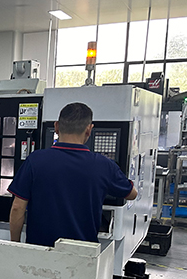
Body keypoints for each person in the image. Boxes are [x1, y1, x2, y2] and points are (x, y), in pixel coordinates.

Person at [8, 102, 138, 247]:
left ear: (56, 126)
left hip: (40, 251)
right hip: (83, 252)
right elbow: (132, 194)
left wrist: (15, 245)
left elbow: (17, 207)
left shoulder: (35, 160)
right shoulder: (104, 165)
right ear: (89, 129)